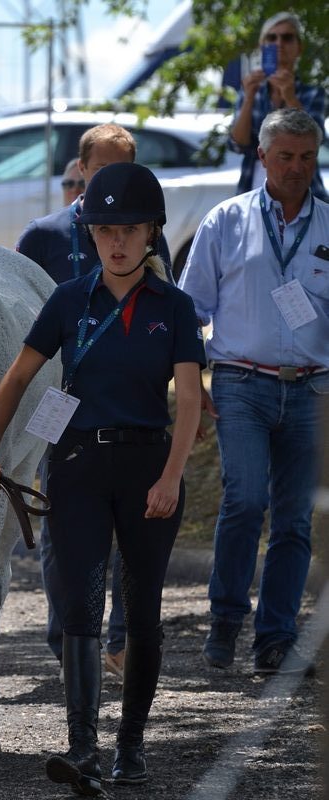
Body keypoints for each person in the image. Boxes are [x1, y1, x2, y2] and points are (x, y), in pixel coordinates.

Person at [0, 162, 205, 795]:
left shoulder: (175, 307)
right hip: (75, 467)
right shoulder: (68, 298)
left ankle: (131, 747)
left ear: (152, 232)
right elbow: (18, 377)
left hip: (147, 469)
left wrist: (173, 476)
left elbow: (187, 400)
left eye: (129, 229)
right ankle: (84, 751)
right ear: (91, 233)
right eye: (104, 230)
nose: (117, 241)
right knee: (79, 608)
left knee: (146, 614)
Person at [17, 123, 173, 682]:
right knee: (62, 527)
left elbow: (168, 309)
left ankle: (118, 643)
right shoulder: (42, 236)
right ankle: (68, 640)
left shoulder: (148, 236)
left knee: (128, 536)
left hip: (128, 409)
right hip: (57, 406)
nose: (111, 180)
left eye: (122, 168)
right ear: (80, 169)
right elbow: (23, 323)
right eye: (101, 168)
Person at [179, 108, 329, 676]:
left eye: (307, 157)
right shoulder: (225, 221)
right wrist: (192, 388)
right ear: (262, 156)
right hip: (242, 382)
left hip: (313, 391)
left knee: (293, 518)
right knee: (244, 501)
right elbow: (189, 311)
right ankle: (225, 619)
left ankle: (276, 637)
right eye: (286, 156)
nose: (297, 168)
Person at [229, 11, 327, 200]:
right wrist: (248, 98)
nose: (279, 43)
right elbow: (238, 144)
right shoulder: (251, 90)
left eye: (287, 37)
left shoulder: (314, 94)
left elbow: (315, 141)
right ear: (262, 46)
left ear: (299, 48)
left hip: (304, 193)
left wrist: (290, 97)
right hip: (254, 191)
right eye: (271, 37)